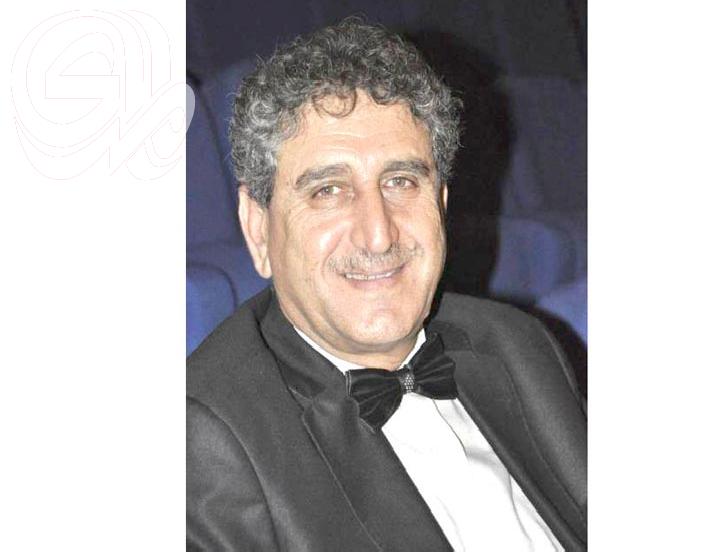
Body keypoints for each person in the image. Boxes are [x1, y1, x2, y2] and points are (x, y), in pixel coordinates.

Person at [187, 18, 586, 551]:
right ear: (258, 228)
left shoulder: (519, 343)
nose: (378, 234)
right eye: (328, 190)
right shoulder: (202, 443)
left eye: (401, 181)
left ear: (441, 204)